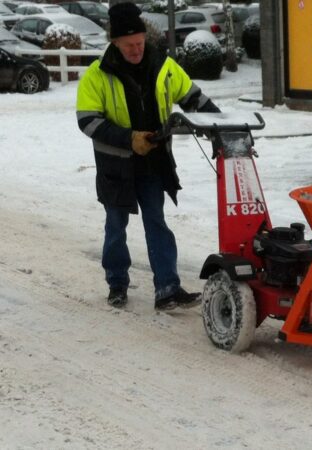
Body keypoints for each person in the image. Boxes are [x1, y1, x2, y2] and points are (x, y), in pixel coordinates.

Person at [76, 2, 220, 310]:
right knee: (116, 227)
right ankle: (117, 283)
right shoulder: (97, 73)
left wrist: (222, 123)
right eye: (129, 45)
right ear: (115, 42)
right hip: (116, 166)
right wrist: (129, 139)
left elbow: (193, 97)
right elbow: (87, 120)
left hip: (153, 162)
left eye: (140, 42)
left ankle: (167, 288)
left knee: (156, 221)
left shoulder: (163, 65)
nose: (136, 49)